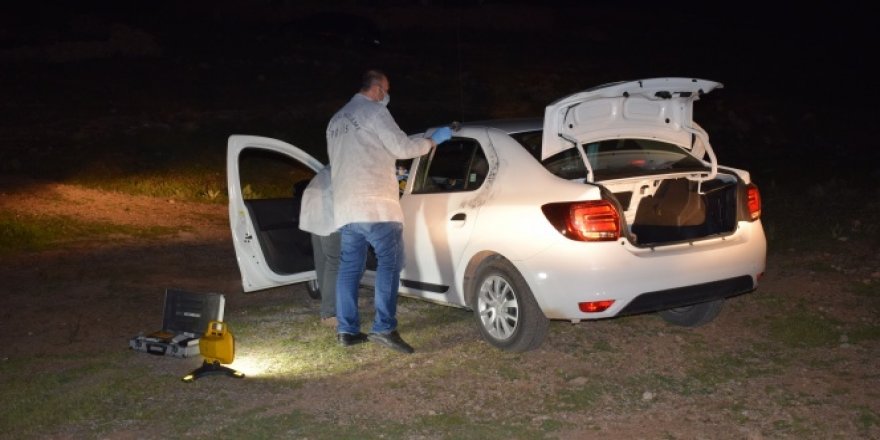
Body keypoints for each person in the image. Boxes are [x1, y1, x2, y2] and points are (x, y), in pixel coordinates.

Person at [327, 69, 452, 353]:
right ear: (379, 90)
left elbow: (351, 160)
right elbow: (403, 147)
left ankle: (346, 330)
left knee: (349, 269)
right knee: (390, 263)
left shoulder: (335, 121)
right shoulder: (373, 111)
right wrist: (433, 140)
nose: (387, 96)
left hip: (347, 208)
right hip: (376, 206)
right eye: (387, 91)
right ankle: (384, 327)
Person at [298, 165, 340, 328]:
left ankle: (328, 309)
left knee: (323, 262)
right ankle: (329, 313)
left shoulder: (332, 165)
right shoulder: (349, 165)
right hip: (327, 210)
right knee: (334, 263)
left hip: (313, 212)